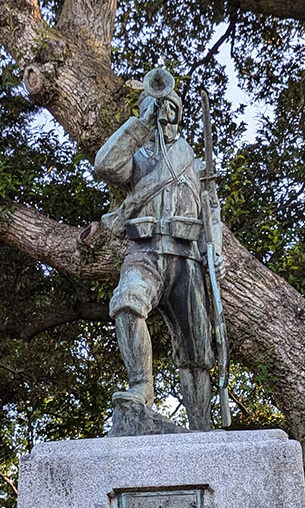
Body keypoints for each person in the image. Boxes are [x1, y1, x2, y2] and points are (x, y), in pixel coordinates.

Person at [92, 72, 223, 432]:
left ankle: (201, 428)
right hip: (145, 251)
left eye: (170, 107)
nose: (164, 111)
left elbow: (211, 213)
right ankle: (141, 387)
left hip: (187, 261)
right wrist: (141, 123)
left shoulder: (195, 163)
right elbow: (104, 166)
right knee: (127, 303)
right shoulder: (136, 159)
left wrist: (217, 251)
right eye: (156, 105)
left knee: (198, 351)